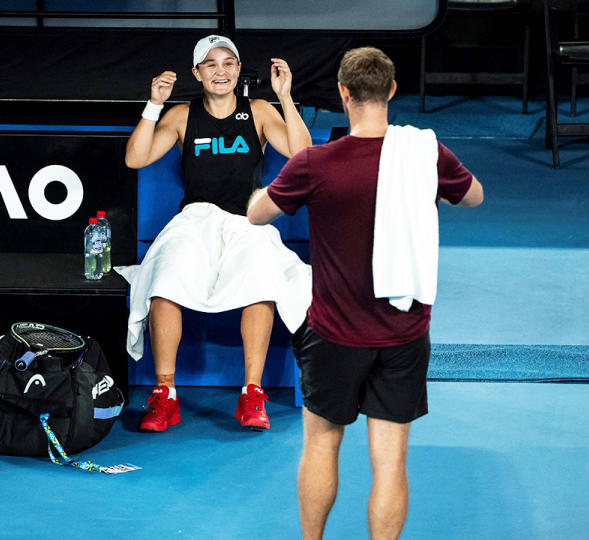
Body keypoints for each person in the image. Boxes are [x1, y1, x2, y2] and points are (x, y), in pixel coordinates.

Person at [247, 46, 483, 539]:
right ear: (392, 92)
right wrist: (425, 185)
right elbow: (474, 196)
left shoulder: (315, 163)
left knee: (320, 446)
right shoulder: (425, 154)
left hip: (334, 334)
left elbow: (257, 213)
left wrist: (261, 191)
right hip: (403, 334)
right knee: (391, 460)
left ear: (343, 94)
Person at [117, 34, 313, 432]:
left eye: (228, 63)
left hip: (247, 220)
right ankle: (165, 395)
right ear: (197, 73)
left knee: (260, 278)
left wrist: (285, 96)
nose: (220, 71)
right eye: (210, 64)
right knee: (165, 276)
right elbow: (135, 158)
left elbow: (301, 152)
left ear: (238, 70)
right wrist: (155, 104)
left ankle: (252, 393)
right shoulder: (181, 115)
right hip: (196, 218)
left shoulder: (258, 110)